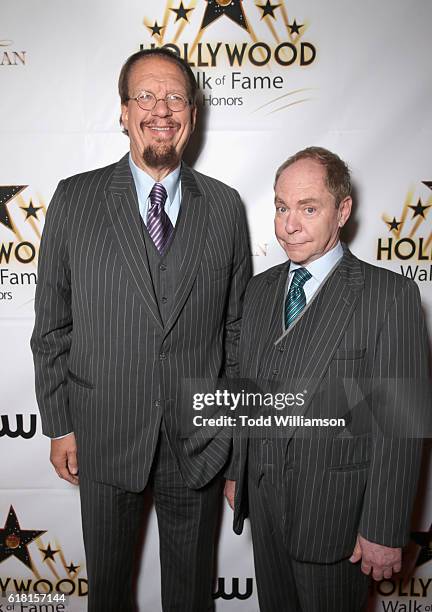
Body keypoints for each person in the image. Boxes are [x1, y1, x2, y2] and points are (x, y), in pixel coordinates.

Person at [31, 47, 251, 612]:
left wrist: (231, 434)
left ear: (193, 115)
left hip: (198, 443)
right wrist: (60, 424)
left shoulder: (225, 208)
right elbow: (52, 326)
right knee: (107, 593)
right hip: (102, 438)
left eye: (177, 97)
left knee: (191, 596)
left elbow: (237, 332)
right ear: (123, 113)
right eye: (146, 96)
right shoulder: (74, 199)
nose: (162, 109)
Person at [224, 146, 430, 612]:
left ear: (343, 211)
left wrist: (382, 528)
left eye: (308, 208)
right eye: (281, 207)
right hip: (266, 510)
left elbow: (400, 427)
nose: (288, 225)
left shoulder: (388, 296)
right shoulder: (259, 290)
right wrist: (239, 470)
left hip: (336, 518)